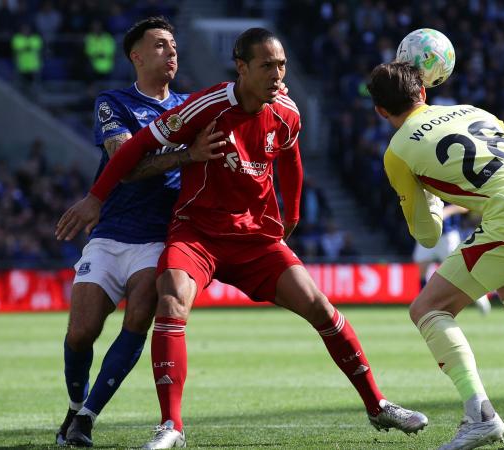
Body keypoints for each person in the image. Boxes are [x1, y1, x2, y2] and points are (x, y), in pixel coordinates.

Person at [57, 28, 428, 450]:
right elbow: (135, 147)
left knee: (321, 307)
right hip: (196, 232)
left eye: (282, 65)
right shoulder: (206, 106)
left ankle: (377, 405)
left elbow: (290, 158)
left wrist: (292, 213)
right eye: (267, 65)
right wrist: (95, 197)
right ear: (243, 67)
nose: (277, 74)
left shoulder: (288, 110)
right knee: (171, 299)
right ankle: (171, 426)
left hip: (254, 237)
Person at [367, 62, 504, 450]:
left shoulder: (398, 151)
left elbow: (428, 236)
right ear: (424, 93)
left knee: (427, 309)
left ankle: (480, 415)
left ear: (381, 111)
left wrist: (429, 196)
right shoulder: (473, 110)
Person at [55, 17, 225, 447]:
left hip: (160, 237)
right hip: (111, 234)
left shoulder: (188, 107)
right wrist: (187, 155)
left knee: (138, 317)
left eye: (173, 46)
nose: (172, 53)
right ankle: (75, 408)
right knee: (81, 334)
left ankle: (87, 420)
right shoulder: (113, 102)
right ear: (137, 55)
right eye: (161, 45)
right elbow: (126, 166)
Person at [412, 204, 491, 315]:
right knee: (422, 267)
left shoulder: (447, 188)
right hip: (427, 233)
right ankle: (424, 305)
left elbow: (464, 207)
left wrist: (444, 212)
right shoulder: (424, 188)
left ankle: (480, 298)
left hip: (447, 236)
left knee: (460, 272)